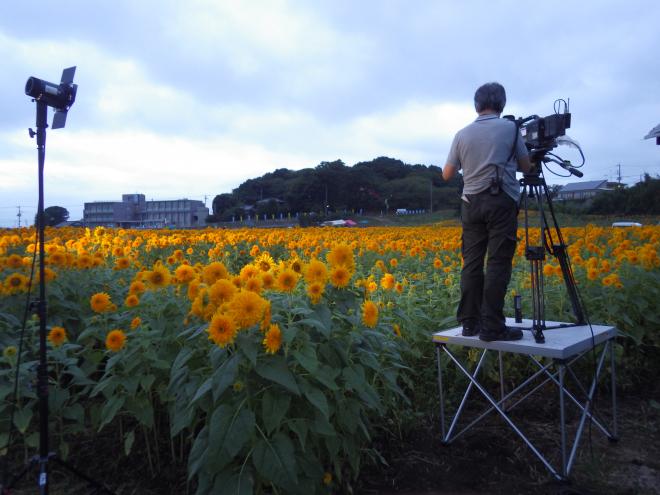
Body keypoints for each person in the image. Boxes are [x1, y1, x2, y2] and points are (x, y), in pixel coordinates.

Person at [442, 82, 532, 341]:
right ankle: (493, 325)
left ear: (477, 105)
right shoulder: (511, 129)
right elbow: (526, 167)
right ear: (501, 104)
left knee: (471, 263)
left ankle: (469, 324)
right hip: (501, 202)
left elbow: (447, 174)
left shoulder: (462, 133)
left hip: (470, 203)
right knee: (497, 263)